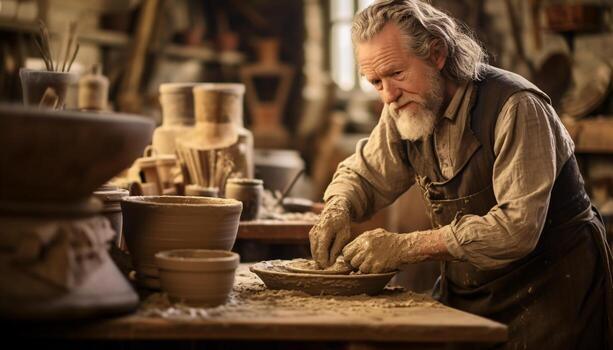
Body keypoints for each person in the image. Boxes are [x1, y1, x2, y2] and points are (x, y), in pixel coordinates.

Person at [308, 0, 613, 348]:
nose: (388, 95)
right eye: (375, 82)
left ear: (437, 54)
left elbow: (518, 228)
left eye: (396, 74)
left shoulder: (516, 106)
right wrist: (338, 207)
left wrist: (406, 246)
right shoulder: (404, 106)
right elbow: (364, 174)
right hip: (472, 294)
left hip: (553, 294)